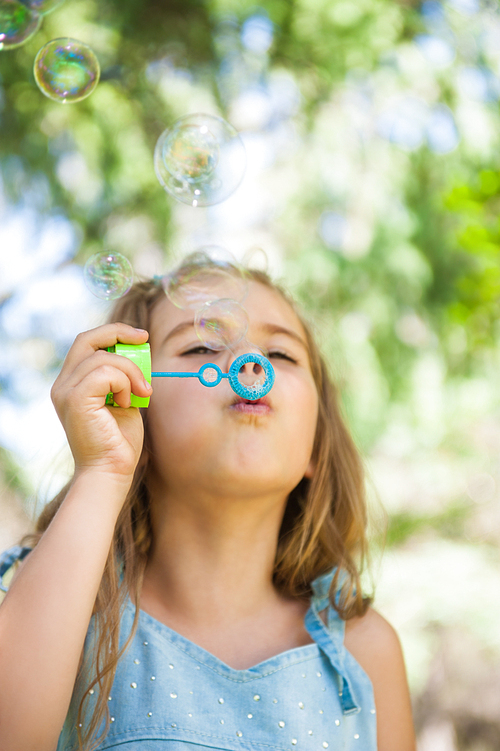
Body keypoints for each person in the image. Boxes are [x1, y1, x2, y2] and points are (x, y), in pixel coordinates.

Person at [0, 256, 416, 751]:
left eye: (280, 354)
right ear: (131, 402)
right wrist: (104, 468)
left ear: (316, 444)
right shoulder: (57, 609)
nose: (248, 360)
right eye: (201, 345)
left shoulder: (363, 654)